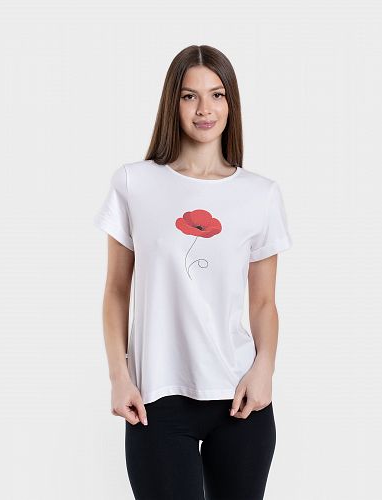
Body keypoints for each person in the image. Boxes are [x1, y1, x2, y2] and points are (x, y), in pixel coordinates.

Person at [93, 45, 293, 500]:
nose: (205, 109)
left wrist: (264, 368)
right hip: (155, 399)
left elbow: (264, 302)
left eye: (216, 94)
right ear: (173, 102)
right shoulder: (134, 183)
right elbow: (116, 290)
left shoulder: (260, 194)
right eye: (190, 96)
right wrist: (119, 376)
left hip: (239, 397)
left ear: (231, 103)